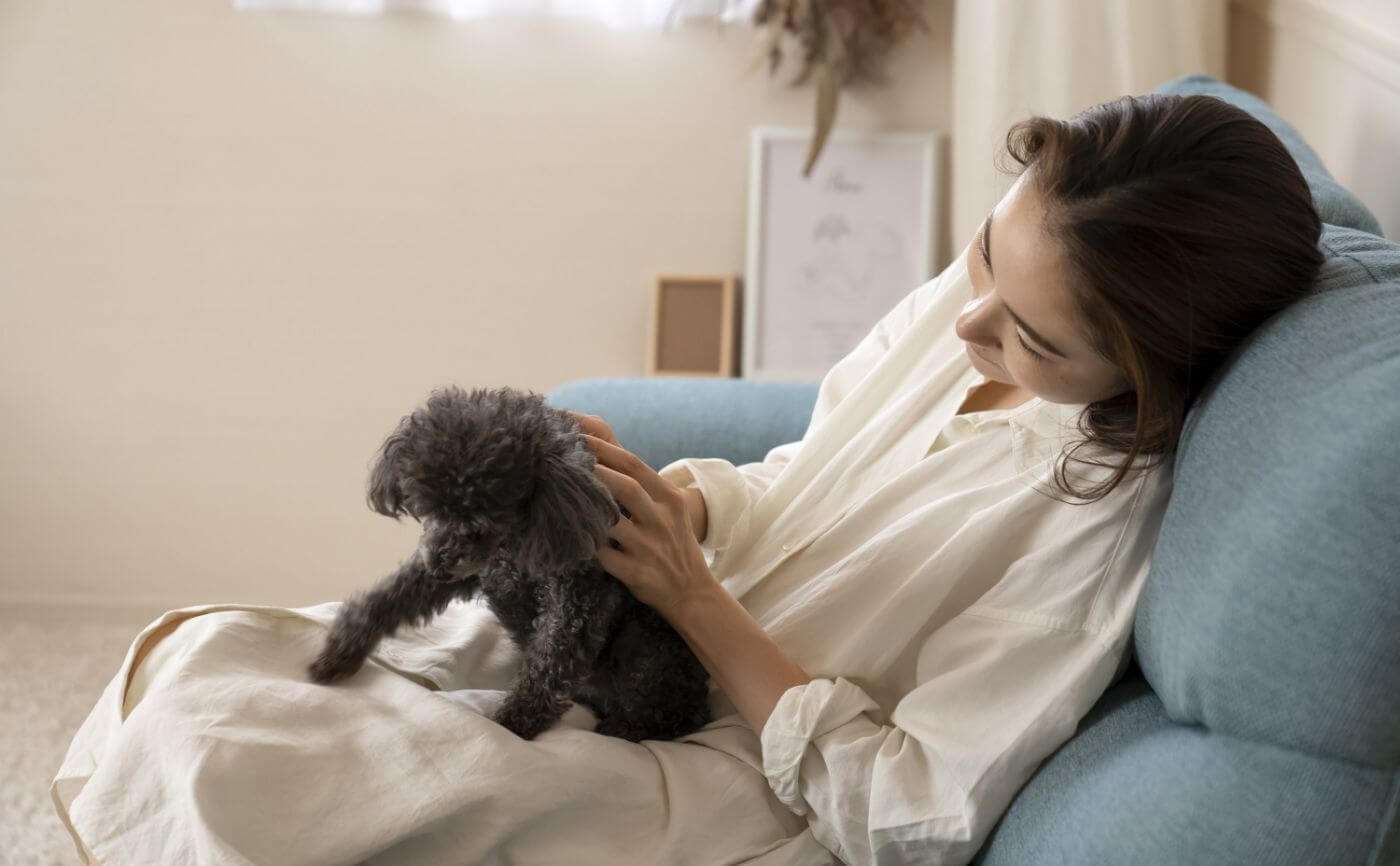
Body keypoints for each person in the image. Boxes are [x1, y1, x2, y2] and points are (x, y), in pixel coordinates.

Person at [53, 92, 1324, 866]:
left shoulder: (1094, 527)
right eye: (982, 254)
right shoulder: (981, 297)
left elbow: (913, 815)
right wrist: (681, 508)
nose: (964, 323)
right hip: (629, 633)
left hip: (725, 768)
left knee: (252, 766)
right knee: (212, 662)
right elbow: (798, 471)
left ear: (1142, 373)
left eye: (1027, 335)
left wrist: (704, 603)